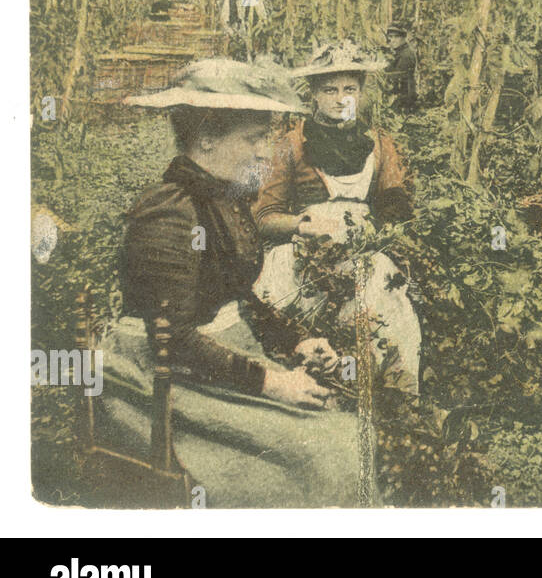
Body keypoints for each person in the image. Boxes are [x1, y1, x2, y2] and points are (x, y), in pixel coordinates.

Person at [99, 58, 361, 508]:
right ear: (205, 139)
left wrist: (295, 338)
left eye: (267, 137)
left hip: (209, 356)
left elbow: (236, 296)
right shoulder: (171, 211)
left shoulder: (223, 196)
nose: (266, 152)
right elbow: (174, 338)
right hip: (159, 379)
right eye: (254, 138)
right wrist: (274, 383)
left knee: (342, 431)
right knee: (330, 451)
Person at [251, 41, 422, 397]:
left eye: (349, 89)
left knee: (384, 313)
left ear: (360, 92)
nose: (340, 98)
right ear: (313, 93)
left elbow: (395, 209)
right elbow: (264, 217)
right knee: (283, 320)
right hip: (303, 256)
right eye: (329, 89)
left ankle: (383, 399)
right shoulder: (291, 145)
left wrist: (383, 232)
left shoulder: (378, 144)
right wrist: (302, 226)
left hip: (362, 255)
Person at [384, 21, 419, 111]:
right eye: (391, 37)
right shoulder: (399, 51)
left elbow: (396, 77)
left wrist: (380, 73)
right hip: (399, 93)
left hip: (404, 98)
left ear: (403, 37)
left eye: (397, 37)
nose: (393, 40)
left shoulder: (406, 54)